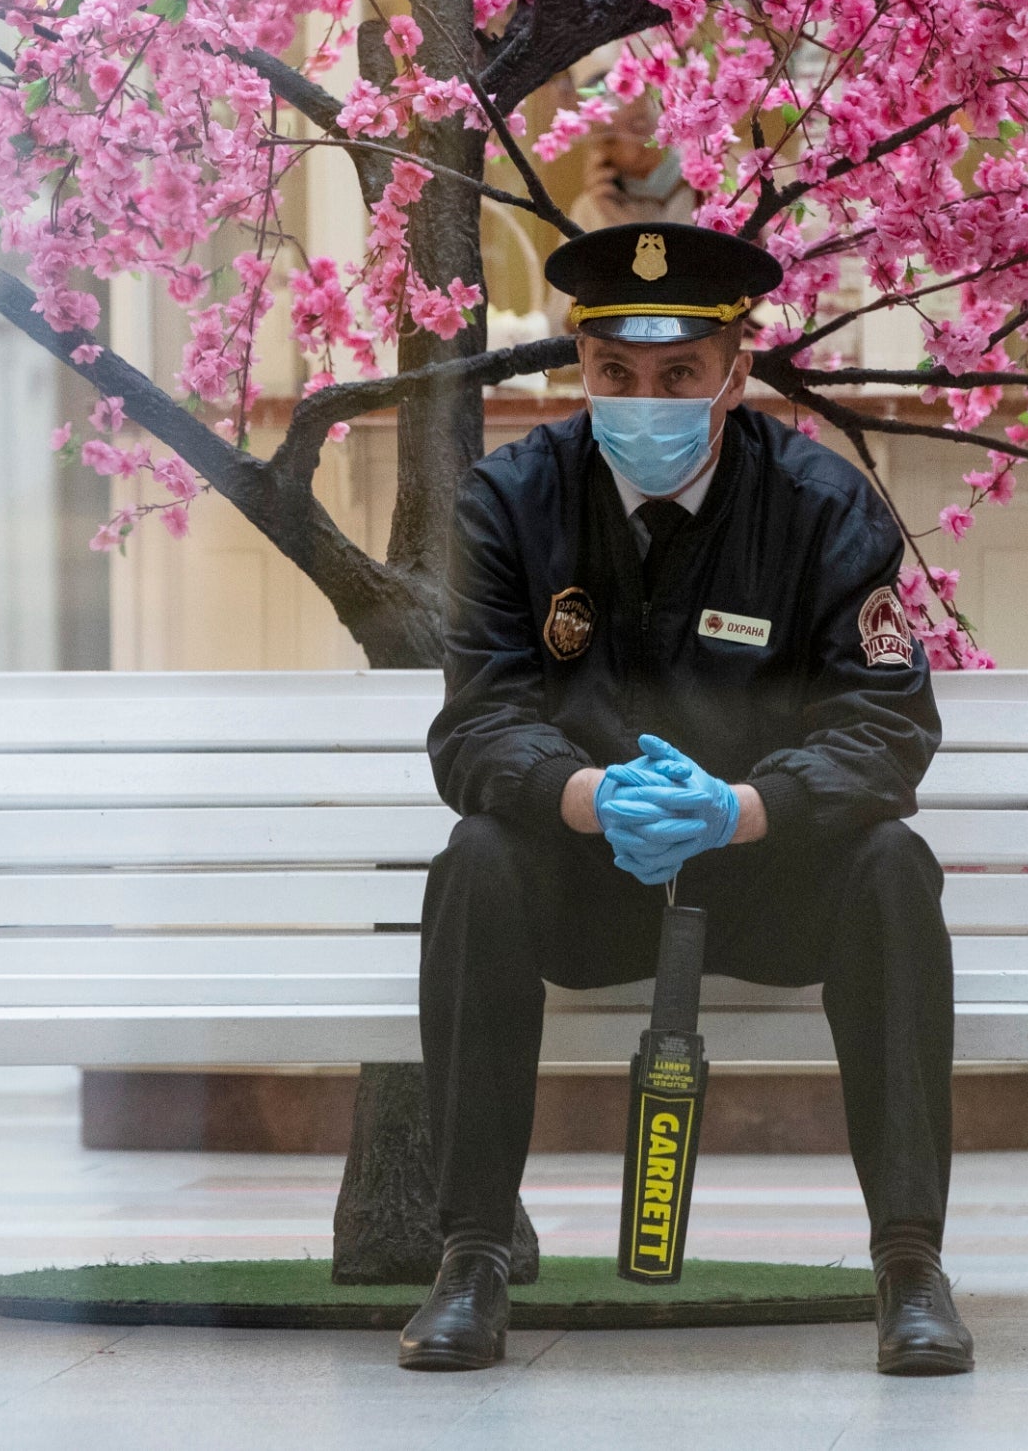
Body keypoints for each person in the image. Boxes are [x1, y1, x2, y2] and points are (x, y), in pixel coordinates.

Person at [403, 221, 970, 1376]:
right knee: (475, 859)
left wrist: (742, 808)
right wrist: (584, 794)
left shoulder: (821, 505)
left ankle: (910, 1261)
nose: (642, 399)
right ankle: (469, 1255)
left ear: (735, 366)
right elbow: (476, 724)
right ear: (581, 363)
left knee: (892, 866)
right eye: (615, 374)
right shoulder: (511, 500)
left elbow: (887, 727)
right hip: (585, 878)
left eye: (676, 375)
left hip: (767, 878)